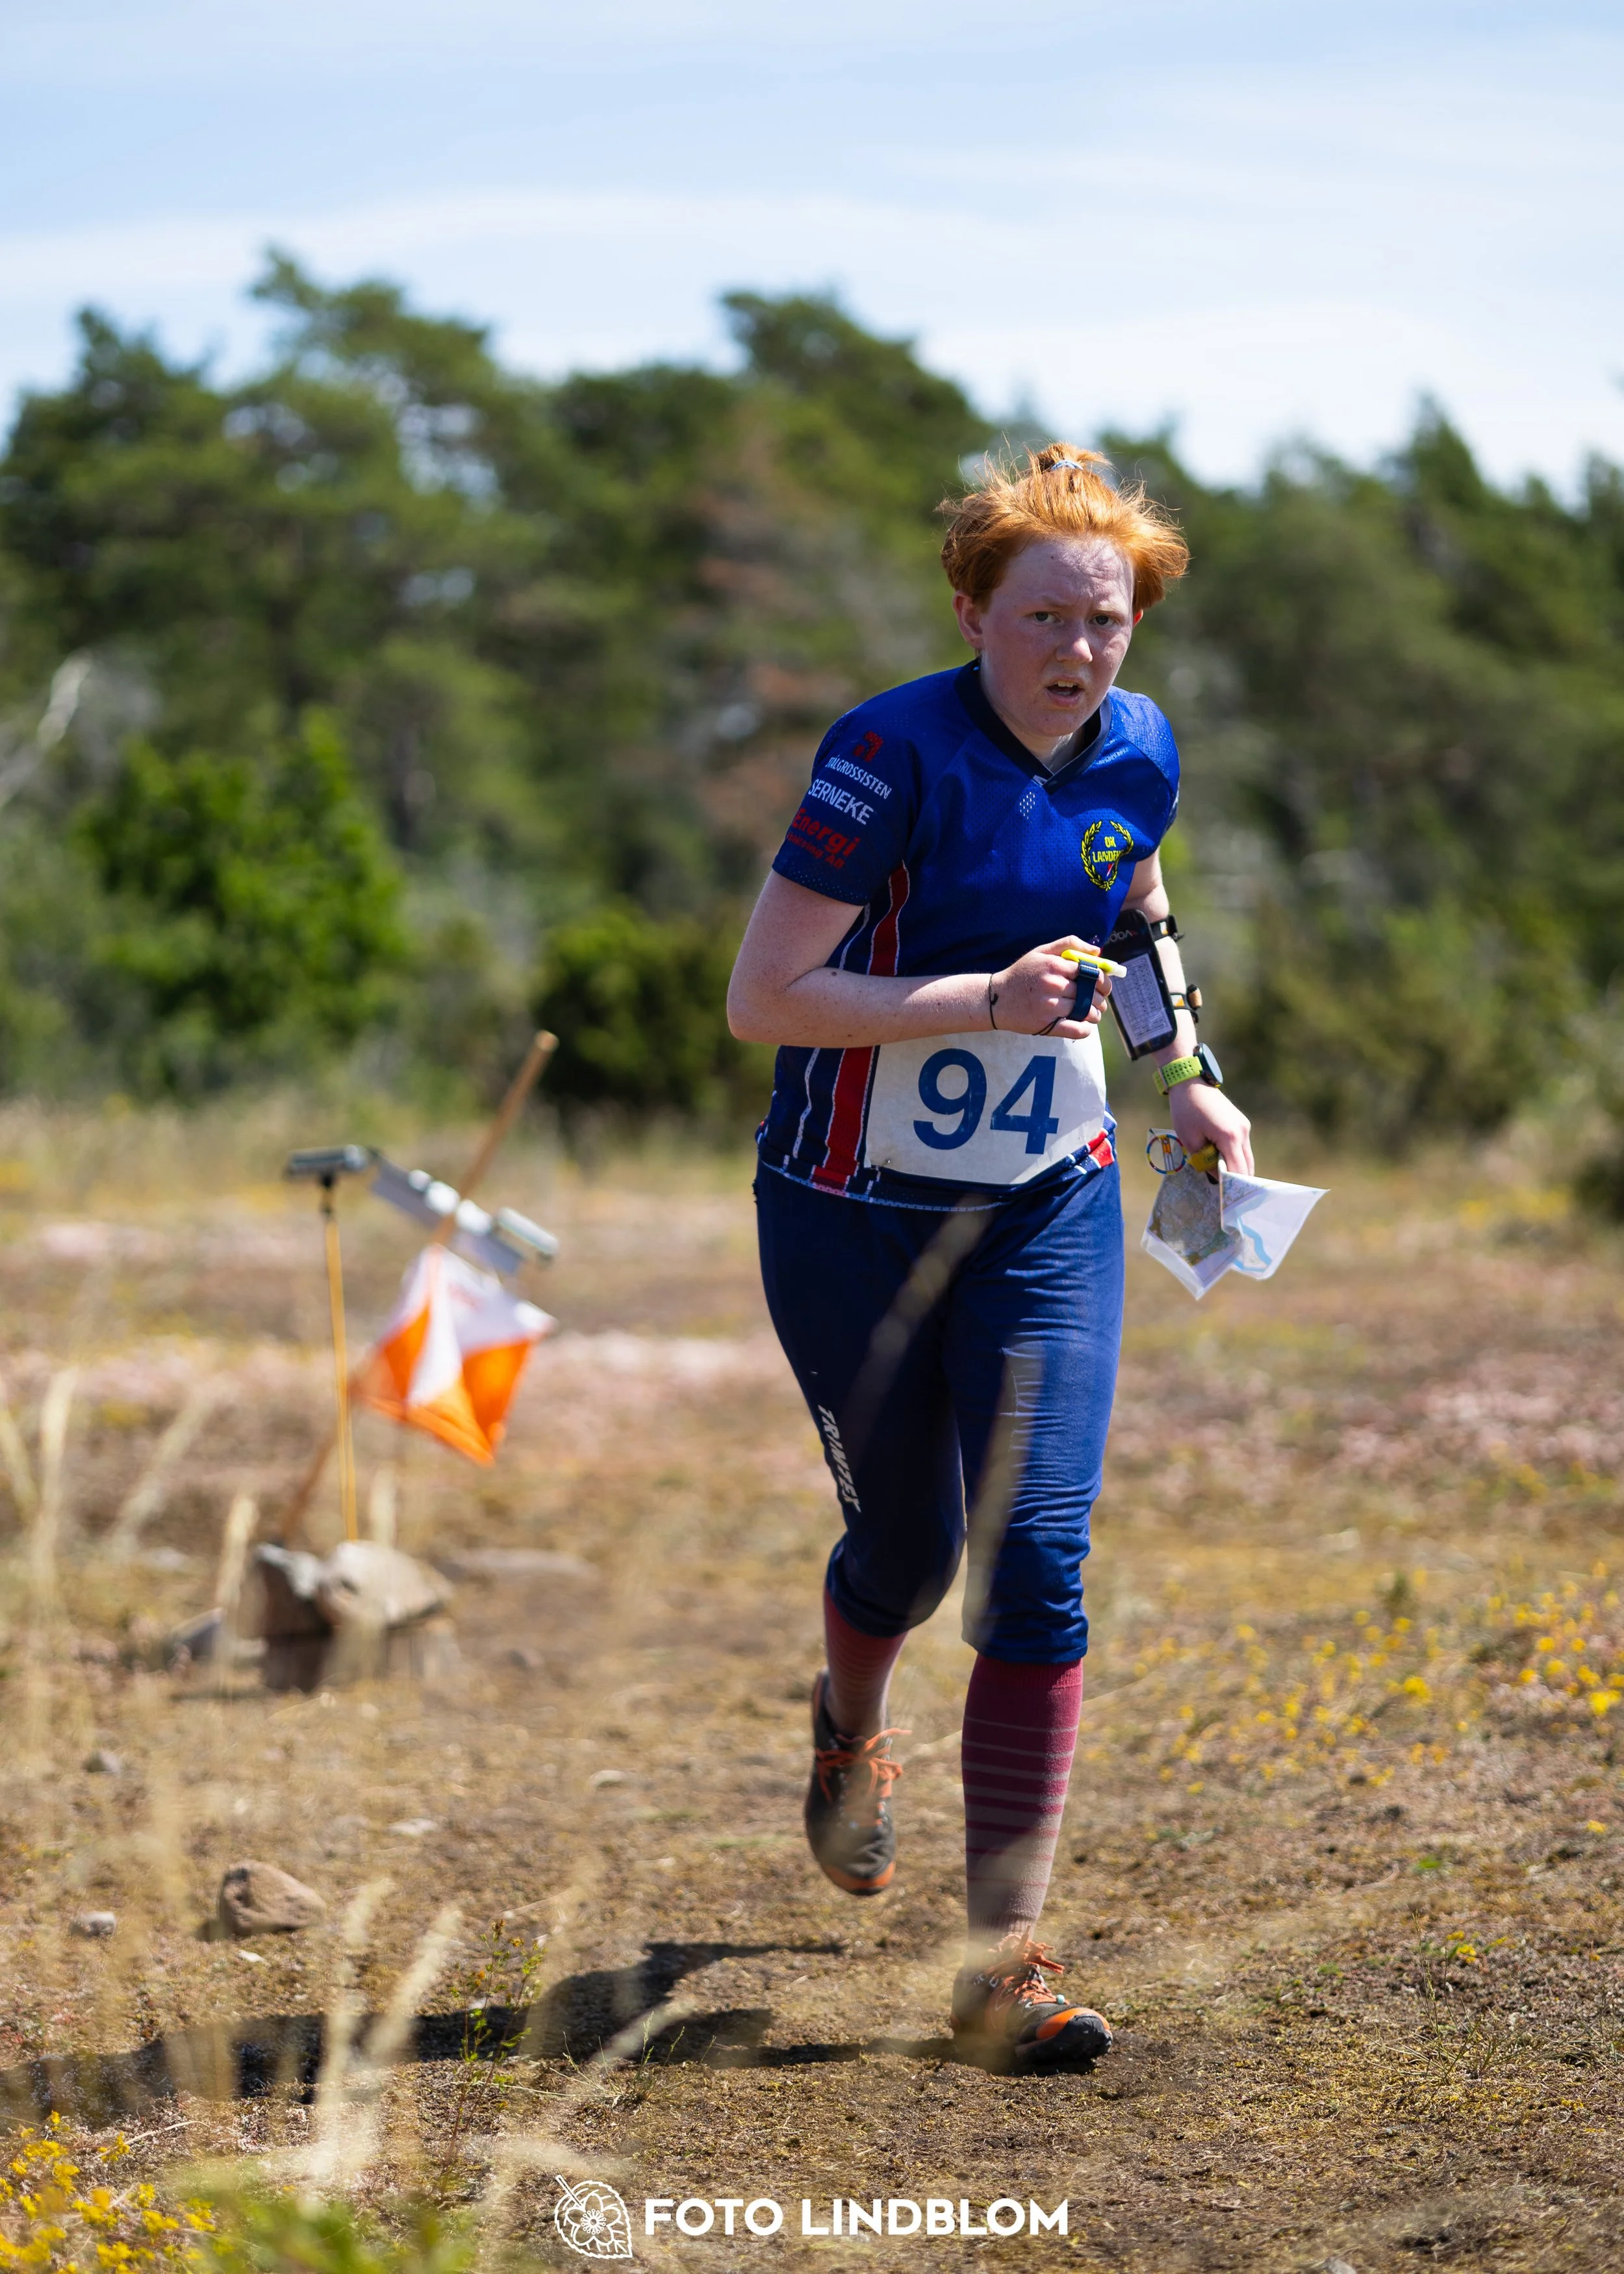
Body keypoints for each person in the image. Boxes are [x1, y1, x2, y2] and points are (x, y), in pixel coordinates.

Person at [727, 444, 1252, 2069]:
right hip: (849, 1211)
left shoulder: (1138, 747)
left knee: (1034, 1553)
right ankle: (847, 1726)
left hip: (1044, 1201)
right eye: (1042, 617)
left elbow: (1138, 915)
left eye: (1106, 619)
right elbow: (763, 996)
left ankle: (1000, 1962)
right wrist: (982, 1000)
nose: (1076, 650)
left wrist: (1186, 1072)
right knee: (905, 1551)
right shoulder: (887, 753)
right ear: (970, 612)